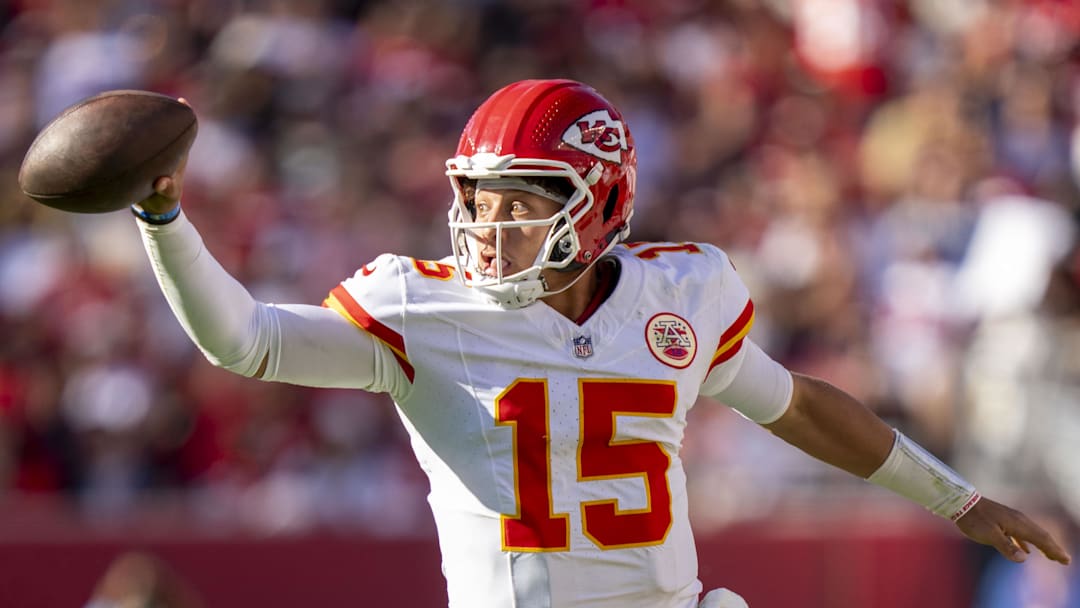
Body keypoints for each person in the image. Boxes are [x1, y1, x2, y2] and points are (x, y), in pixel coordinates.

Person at [129, 79, 1070, 608]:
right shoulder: (421, 308)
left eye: (519, 205)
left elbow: (797, 407)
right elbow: (245, 342)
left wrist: (955, 498)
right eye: (477, 201)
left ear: (600, 205)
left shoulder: (680, 296)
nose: (489, 229)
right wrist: (163, 216)